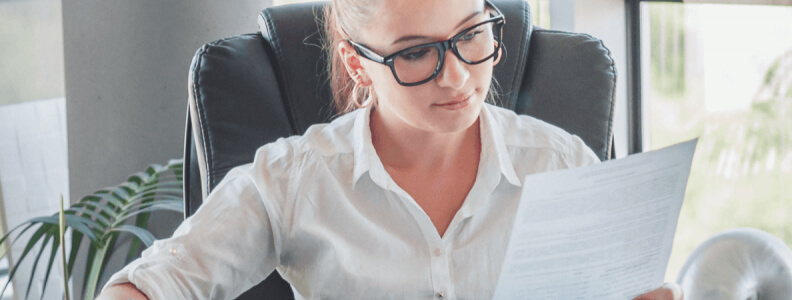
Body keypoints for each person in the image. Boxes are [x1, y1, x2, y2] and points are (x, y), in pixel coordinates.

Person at [99, 0, 682, 299]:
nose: (455, 78)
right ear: (358, 63)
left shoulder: (560, 163)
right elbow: (148, 286)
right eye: (415, 54)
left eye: (471, 36)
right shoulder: (293, 179)